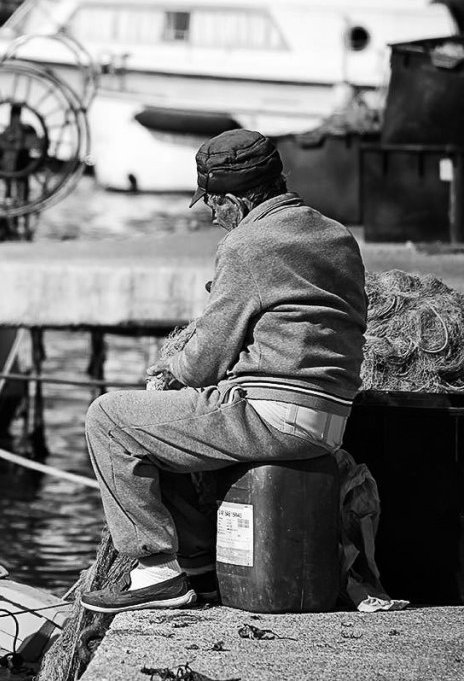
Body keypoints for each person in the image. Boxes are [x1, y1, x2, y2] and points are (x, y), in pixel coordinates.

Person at [80, 129, 367, 613]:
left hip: (272, 413)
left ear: (233, 200)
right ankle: (199, 568)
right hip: (330, 419)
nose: (212, 217)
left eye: (211, 205)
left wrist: (170, 366)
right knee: (161, 426)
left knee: (110, 418)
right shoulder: (337, 236)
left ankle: (155, 572)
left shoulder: (249, 244)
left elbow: (202, 363)